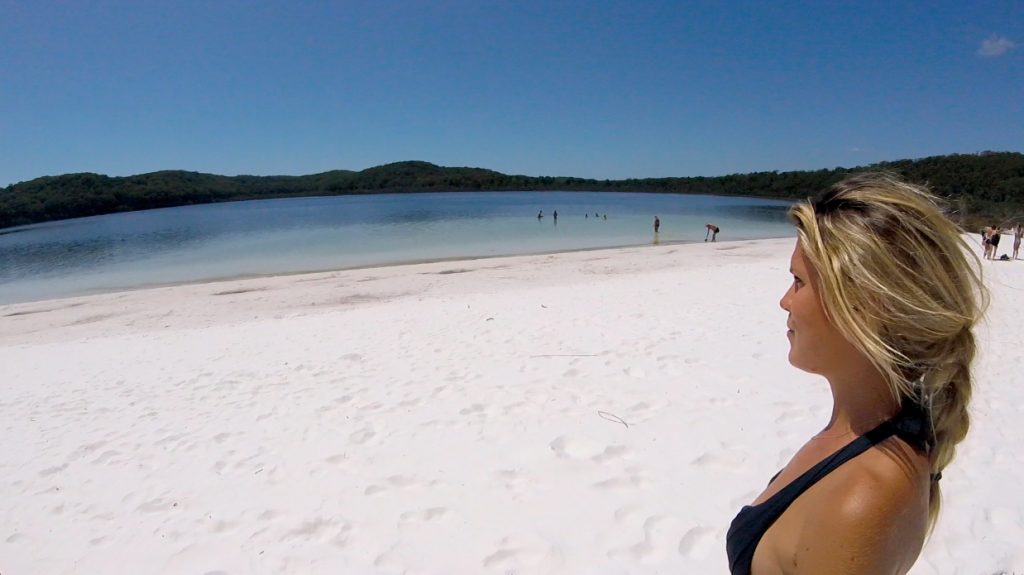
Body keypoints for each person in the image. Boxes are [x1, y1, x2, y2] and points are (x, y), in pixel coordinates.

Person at [726, 173, 986, 575]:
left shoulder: (861, 498)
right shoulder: (867, 431)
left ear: (865, 306)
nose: (785, 301)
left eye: (798, 282)